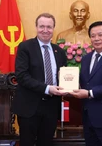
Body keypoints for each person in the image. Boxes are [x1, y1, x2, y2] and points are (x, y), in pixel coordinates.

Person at [11, 13, 67, 146]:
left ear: (54, 28)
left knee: (46, 142)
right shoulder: (25, 47)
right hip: (29, 106)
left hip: (51, 107)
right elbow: (22, 76)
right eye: (42, 26)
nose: (45, 30)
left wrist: (68, 87)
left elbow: (63, 76)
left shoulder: (59, 51)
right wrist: (47, 88)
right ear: (36, 27)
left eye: (49, 27)